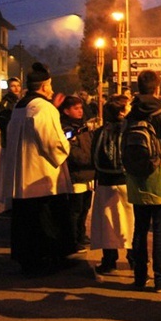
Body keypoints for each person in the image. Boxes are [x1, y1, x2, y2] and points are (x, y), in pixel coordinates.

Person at [5, 62, 74, 276]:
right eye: (50, 85)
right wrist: (67, 143)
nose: (52, 90)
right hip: (41, 178)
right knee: (45, 222)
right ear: (44, 86)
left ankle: (27, 260)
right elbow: (53, 143)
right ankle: (46, 260)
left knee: (25, 222)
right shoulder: (44, 108)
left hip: (22, 177)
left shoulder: (20, 107)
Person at [125, 70, 161, 292]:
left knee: (139, 228)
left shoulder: (129, 117)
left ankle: (139, 276)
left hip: (136, 179)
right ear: (158, 89)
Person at [90, 94, 135, 274]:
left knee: (107, 225)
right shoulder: (130, 130)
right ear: (122, 111)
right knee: (131, 225)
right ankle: (134, 260)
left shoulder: (101, 132)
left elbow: (93, 156)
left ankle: (109, 261)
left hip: (105, 183)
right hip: (127, 182)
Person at [60, 95, 95, 253]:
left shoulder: (84, 127)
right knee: (75, 209)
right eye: (76, 108)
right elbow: (73, 153)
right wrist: (90, 160)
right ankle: (72, 240)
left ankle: (81, 235)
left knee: (85, 208)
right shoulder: (67, 129)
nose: (80, 111)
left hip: (88, 175)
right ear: (66, 111)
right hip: (76, 175)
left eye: (81, 108)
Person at [0, 76, 22, 210]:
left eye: (18, 85)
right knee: (9, 175)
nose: (16, 88)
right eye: (13, 86)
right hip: (9, 145)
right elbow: (4, 125)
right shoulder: (5, 104)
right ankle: (9, 204)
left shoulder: (20, 101)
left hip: (17, 145)